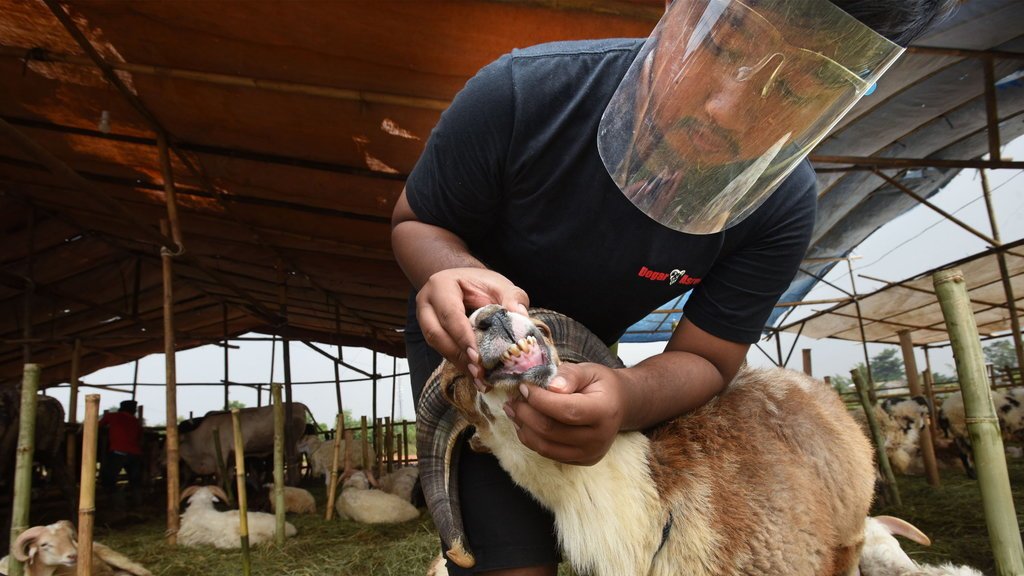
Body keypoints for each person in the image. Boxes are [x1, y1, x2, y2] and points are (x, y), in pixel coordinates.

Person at [391, 1, 954, 573]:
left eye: (795, 89)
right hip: (467, 344)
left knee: (631, 534)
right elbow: (417, 220)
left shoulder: (778, 203)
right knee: (512, 560)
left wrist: (626, 396)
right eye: (723, 47)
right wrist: (447, 267)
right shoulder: (524, 94)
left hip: (595, 363)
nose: (728, 111)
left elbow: (709, 357)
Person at [98, 399, 144, 508]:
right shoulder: (136, 421)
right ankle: (139, 505)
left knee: (109, 479)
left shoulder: (112, 416)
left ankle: (117, 506)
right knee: (135, 482)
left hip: (118, 452)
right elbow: (140, 436)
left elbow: (97, 426)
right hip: (135, 454)